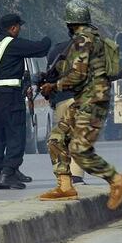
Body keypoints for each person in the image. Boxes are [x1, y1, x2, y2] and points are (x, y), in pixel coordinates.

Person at [38, 0, 122, 211]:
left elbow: (78, 75)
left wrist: (54, 85)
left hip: (90, 100)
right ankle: (65, 186)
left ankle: (117, 180)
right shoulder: (95, 39)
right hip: (87, 99)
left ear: (70, 23)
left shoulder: (82, 41)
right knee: (56, 139)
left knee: (78, 150)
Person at [0, 14, 51, 189]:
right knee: (16, 134)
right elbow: (41, 48)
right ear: (13, 28)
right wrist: (47, 37)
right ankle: (8, 173)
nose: (19, 30)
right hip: (9, 96)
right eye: (19, 27)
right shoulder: (13, 44)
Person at [45, 40, 86, 185]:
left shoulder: (57, 48)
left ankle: (64, 175)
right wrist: (121, 73)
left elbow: (49, 76)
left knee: (62, 138)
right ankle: (76, 176)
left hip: (61, 100)